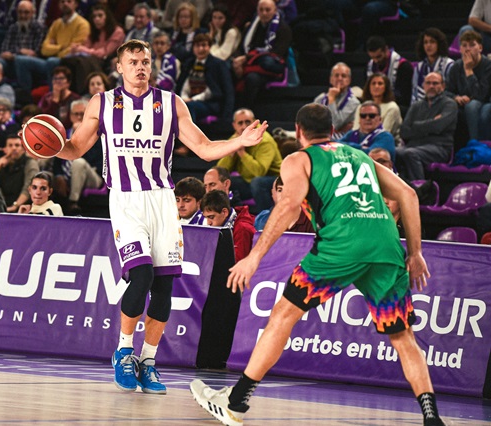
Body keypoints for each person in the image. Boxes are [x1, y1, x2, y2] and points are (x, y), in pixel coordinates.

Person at [190, 103, 445, 426]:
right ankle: (431, 417)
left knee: (283, 314)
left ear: (299, 131)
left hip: (340, 247)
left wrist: (254, 257)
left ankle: (236, 402)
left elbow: (289, 206)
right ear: (333, 130)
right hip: (386, 247)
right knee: (403, 337)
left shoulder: (299, 159)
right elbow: (408, 195)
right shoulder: (360, 155)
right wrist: (416, 252)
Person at [40, 39, 267, 395]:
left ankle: (148, 360)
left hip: (162, 200)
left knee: (164, 287)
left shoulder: (171, 103)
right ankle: (123, 351)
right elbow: (75, 148)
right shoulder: (102, 103)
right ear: (119, 67)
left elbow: (204, 148)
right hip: (126, 199)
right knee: (142, 275)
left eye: (145, 61)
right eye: (133, 62)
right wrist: (45, 145)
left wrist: (239, 141)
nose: (141, 67)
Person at [14, 0, 90, 93]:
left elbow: (73, 50)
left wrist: (54, 48)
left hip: (67, 62)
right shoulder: (56, 23)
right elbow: (44, 49)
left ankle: (53, 95)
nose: (65, 4)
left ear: (76, 4)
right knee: (21, 60)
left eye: (69, 1)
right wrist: (61, 47)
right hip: (50, 60)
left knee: (52, 61)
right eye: (62, 2)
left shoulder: (82, 24)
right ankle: (25, 96)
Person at [217, 108, 282, 212]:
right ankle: (230, 216)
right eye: (240, 123)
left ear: (254, 122)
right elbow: (221, 171)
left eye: (247, 122)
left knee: (257, 183)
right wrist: (231, 153)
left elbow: (259, 172)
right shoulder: (236, 138)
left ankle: (265, 217)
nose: (244, 126)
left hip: (274, 179)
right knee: (220, 182)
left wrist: (242, 153)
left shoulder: (264, 140)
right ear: (234, 125)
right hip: (248, 180)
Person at [397, 72, 458, 181]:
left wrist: (415, 125)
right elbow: (404, 132)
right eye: (428, 83)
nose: (431, 86)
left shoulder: (449, 104)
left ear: (443, 86)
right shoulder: (416, 106)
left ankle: (419, 188)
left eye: (435, 83)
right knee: (391, 152)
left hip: (439, 147)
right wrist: (432, 123)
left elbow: (438, 127)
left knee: (410, 154)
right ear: (423, 86)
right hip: (414, 145)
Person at [232, 0, 292, 107]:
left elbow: (277, 53)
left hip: (271, 67)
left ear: (275, 10)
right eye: (261, 10)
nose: (264, 13)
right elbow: (241, 48)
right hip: (250, 64)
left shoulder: (283, 28)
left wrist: (246, 59)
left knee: (253, 76)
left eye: (268, 10)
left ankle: (246, 109)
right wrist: (238, 62)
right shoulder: (251, 27)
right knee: (226, 68)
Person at [60, 3, 124, 94]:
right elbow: (86, 46)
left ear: (107, 17)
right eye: (94, 16)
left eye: (100, 16)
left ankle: (82, 92)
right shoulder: (93, 31)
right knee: (68, 60)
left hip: (103, 62)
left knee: (79, 62)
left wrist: (82, 49)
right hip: (89, 58)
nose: (97, 19)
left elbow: (104, 53)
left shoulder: (117, 31)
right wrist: (77, 48)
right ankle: (66, 92)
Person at [445, 30, 491, 146]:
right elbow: (446, 91)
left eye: (472, 45)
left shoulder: (488, 66)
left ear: (480, 48)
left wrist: (469, 71)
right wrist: (456, 97)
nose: (467, 49)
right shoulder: (456, 66)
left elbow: (480, 95)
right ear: (460, 49)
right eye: (464, 45)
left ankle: (474, 145)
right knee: (451, 107)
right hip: (463, 104)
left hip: (486, 102)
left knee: (473, 105)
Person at [175, 33, 234, 122]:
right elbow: (183, 85)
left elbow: (226, 90)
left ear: (209, 47)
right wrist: (183, 98)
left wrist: (192, 99)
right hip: (188, 100)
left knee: (189, 107)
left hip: (210, 103)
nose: (200, 49)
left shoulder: (218, 64)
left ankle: (189, 131)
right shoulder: (189, 63)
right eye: (197, 46)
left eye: (204, 45)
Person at [0, 0, 47, 81]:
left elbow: (35, 53)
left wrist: (13, 54)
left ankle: (23, 88)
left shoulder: (39, 28)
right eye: (20, 12)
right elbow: (3, 51)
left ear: (33, 13)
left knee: (21, 61)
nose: (23, 15)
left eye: (26, 12)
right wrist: (20, 51)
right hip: (11, 61)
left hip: (31, 63)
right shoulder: (13, 28)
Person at [201, 189, 256, 261]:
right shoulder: (220, 225)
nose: (208, 223)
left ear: (224, 212)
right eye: (206, 217)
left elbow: (237, 263)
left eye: (211, 217)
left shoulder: (242, 229)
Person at [0, 134, 40, 212]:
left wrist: (15, 205)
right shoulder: (2, 164)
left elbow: (29, 188)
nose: (14, 148)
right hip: (3, 206)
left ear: (23, 149)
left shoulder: (30, 163)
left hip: (24, 208)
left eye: (17, 145)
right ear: (5, 149)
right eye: (10, 145)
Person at [314, 62, 361, 140]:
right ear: (331, 79)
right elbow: (312, 123)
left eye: (343, 76)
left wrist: (331, 99)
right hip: (319, 136)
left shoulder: (354, 102)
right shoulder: (319, 99)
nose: (339, 78)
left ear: (349, 80)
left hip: (342, 139)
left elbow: (335, 124)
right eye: (336, 75)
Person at [365, 36, 414, 111]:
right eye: (372, 58)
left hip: (397, 106)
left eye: (378, 57)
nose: (376, 61)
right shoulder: (370, 66)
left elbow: (405, 97)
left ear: (386, 50)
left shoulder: (403, 67)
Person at [353, 73, 402, 144]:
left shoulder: (392, 107)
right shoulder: (361, 107)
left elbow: (385, 134)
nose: (376, 86)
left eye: (380, 84)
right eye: (373, 83)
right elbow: (355, 130)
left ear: (386, 87)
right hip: (361, 143)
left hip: (385, 145)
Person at [411, 28, 454, 104]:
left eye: (432, 42)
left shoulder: (449, 65)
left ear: (439, 44)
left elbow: (451, 91)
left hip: (444, 104)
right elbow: (415, 93)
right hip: (422, 105)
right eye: (425, 42)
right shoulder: (419, 67)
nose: (428, 45)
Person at [37, 65, 80, 130]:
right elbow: (43, 118)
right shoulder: (46, 98)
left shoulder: (76, 99)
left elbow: (70, 121)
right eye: (55, 78)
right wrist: (55, 100)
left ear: (68, 82)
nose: (58, 81)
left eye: (61, 78)